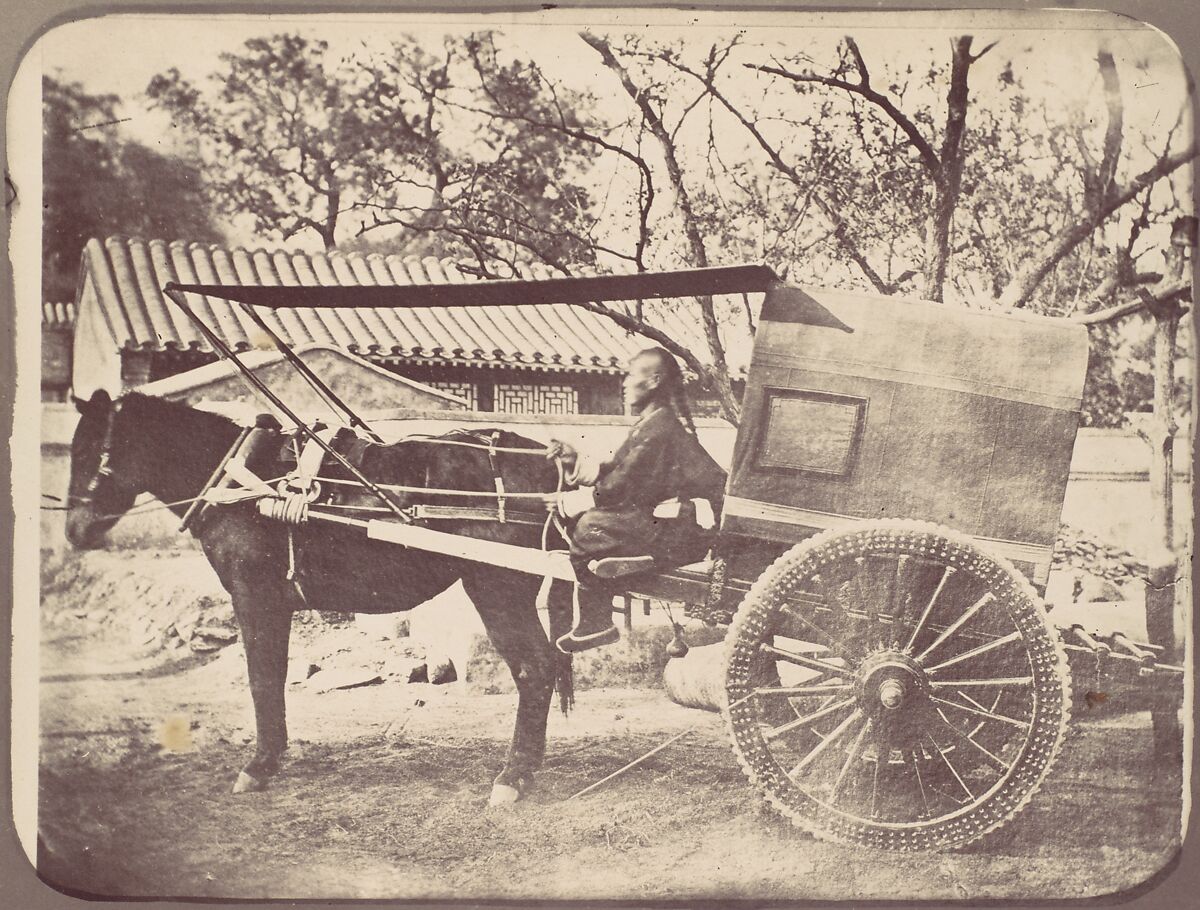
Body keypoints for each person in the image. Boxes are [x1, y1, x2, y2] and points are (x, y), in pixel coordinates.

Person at [544, 347, 727, 653]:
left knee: (589, 526)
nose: (624, 383)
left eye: (631, 375)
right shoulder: (651, 423)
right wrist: (574, 459)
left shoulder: (660, 427)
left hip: (675, 530)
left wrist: (570, 502)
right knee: (590, 525)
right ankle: (601, 610)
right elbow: (619, 468)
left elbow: (622, 484)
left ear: (654, 380)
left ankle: (603, 614)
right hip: (665, 522)